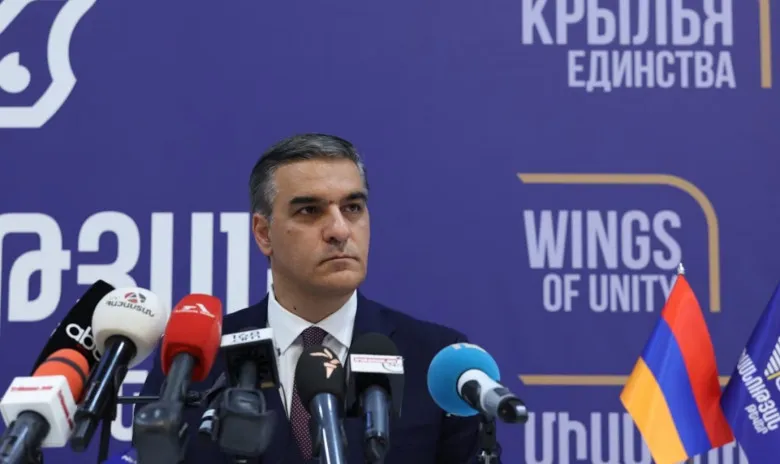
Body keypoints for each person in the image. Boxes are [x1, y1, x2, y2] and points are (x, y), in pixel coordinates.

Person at [139, 133, 492, 463]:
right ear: (263, 234)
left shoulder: (436, 361)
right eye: (310, 210)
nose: (340, 230)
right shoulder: (193, 362)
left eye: (353, 208)